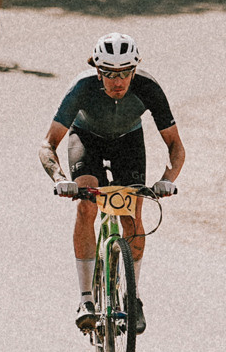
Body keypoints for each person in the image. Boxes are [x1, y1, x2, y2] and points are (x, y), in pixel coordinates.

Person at [41, 31, 184, 332]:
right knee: (86, 207)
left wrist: (166, 180)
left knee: (132, 218)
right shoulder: (82, 88)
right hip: (87, 139)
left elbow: (176, 147)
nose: (118, 82)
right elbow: (48, 144)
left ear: (134, 70)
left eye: (124, 73)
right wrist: (60, 178)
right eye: (109, 74)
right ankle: (85, 299)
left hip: (128, 142)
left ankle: (133, 297)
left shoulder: (148, 87)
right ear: (97, 70)